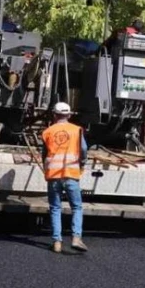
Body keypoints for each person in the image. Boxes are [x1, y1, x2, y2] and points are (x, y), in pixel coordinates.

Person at [41, 102, 89, 253]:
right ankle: (76, 238)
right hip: (71, 175)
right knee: (76, 207)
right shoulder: (77, 130)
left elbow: (44, 155)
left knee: (55, 208)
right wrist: (82, 162)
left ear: (54, 115)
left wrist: (46, 169)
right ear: (69, 115)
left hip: (53, 176)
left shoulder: (48, 132)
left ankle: (57, 242)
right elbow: (83, 149)